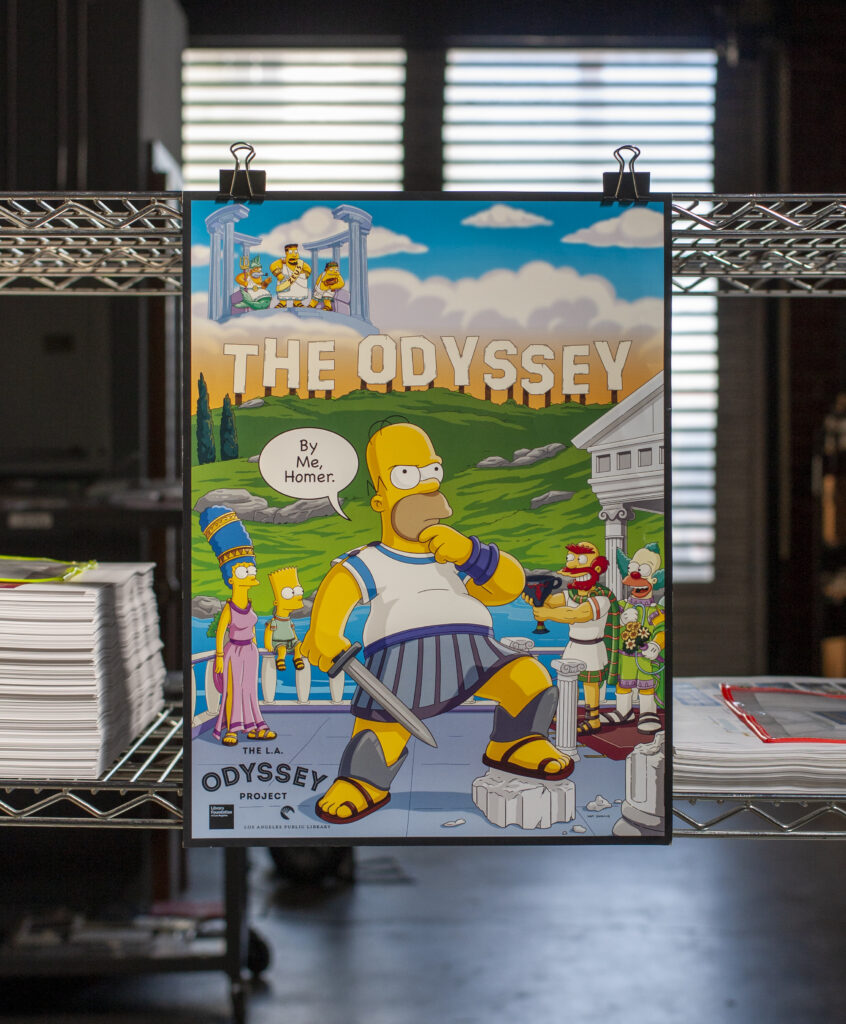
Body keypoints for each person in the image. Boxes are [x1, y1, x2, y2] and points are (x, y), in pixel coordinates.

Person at [302, 421, 571, 824]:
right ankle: (363, 782)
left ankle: (515, 743)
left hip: (475, 649)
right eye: (406, 475)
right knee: (382, 729)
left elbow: (507, 587)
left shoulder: (454, 554)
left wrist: (473, 554)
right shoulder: (370, 561)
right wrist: (324, 634)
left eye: (432, 471)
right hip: (402, 659)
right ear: (380, 498)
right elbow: (336, 597)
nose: (426, 486)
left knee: (529, 677)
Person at [200, 505, 276, 745]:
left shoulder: (249, 605)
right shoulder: (229, 607)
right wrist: (219, 656)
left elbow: (252, 629)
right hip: (233, 651)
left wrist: (261, 642)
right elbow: (221, 631)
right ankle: (232, 728)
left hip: (250, 651)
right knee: (233, 689)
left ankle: (253, 725)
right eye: (244, 570)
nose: (251, 573)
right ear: (232, 578)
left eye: (251, 568)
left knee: (249, 690)